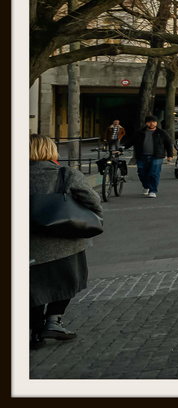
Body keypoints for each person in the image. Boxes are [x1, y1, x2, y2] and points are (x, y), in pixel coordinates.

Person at [30, 133, 103, 348]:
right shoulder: (65, 174)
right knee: (67, 280)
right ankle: (54, 320)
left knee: (32, 287)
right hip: (64, 243)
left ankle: (34, 330)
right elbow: (92, 200)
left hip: (27, 244)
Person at [134, 117, 171, 198]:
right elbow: (131, 141)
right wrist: (121, 148)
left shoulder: (161, 133)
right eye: (149, 122)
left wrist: (170, 155)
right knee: (141, 172)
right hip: (142, 156)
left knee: (154, 173)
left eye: (153, 122)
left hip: (156, 156)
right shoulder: (140, 132)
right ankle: (146, 186)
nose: (151, 124)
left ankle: (153, 190)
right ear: (146, 123)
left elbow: (168, 144)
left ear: (156, 123)